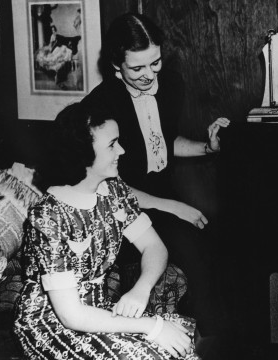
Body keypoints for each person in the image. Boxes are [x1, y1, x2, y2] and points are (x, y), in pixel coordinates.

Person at [80, 13, 229, 344]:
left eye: (155, 63)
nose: (149, 75)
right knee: (193, 249)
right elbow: (106, 183)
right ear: (116, 65)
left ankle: (209, 342)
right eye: (137, 69)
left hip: (161, 195)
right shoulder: (101, 103)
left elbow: (163, 142)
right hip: (119, 203)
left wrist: (208, 147)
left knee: (217, 239)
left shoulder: (172, 84)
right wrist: (173, 207)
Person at [14, 102, 200, 360]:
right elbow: (71, 315)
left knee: (182, 339)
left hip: (99, 311)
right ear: (83, 153)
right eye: (112, 144)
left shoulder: (114, 191)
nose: (121, 151)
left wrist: (141, 289)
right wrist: (152, 326)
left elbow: (154, 247)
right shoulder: (48, 216)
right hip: (52, 322)